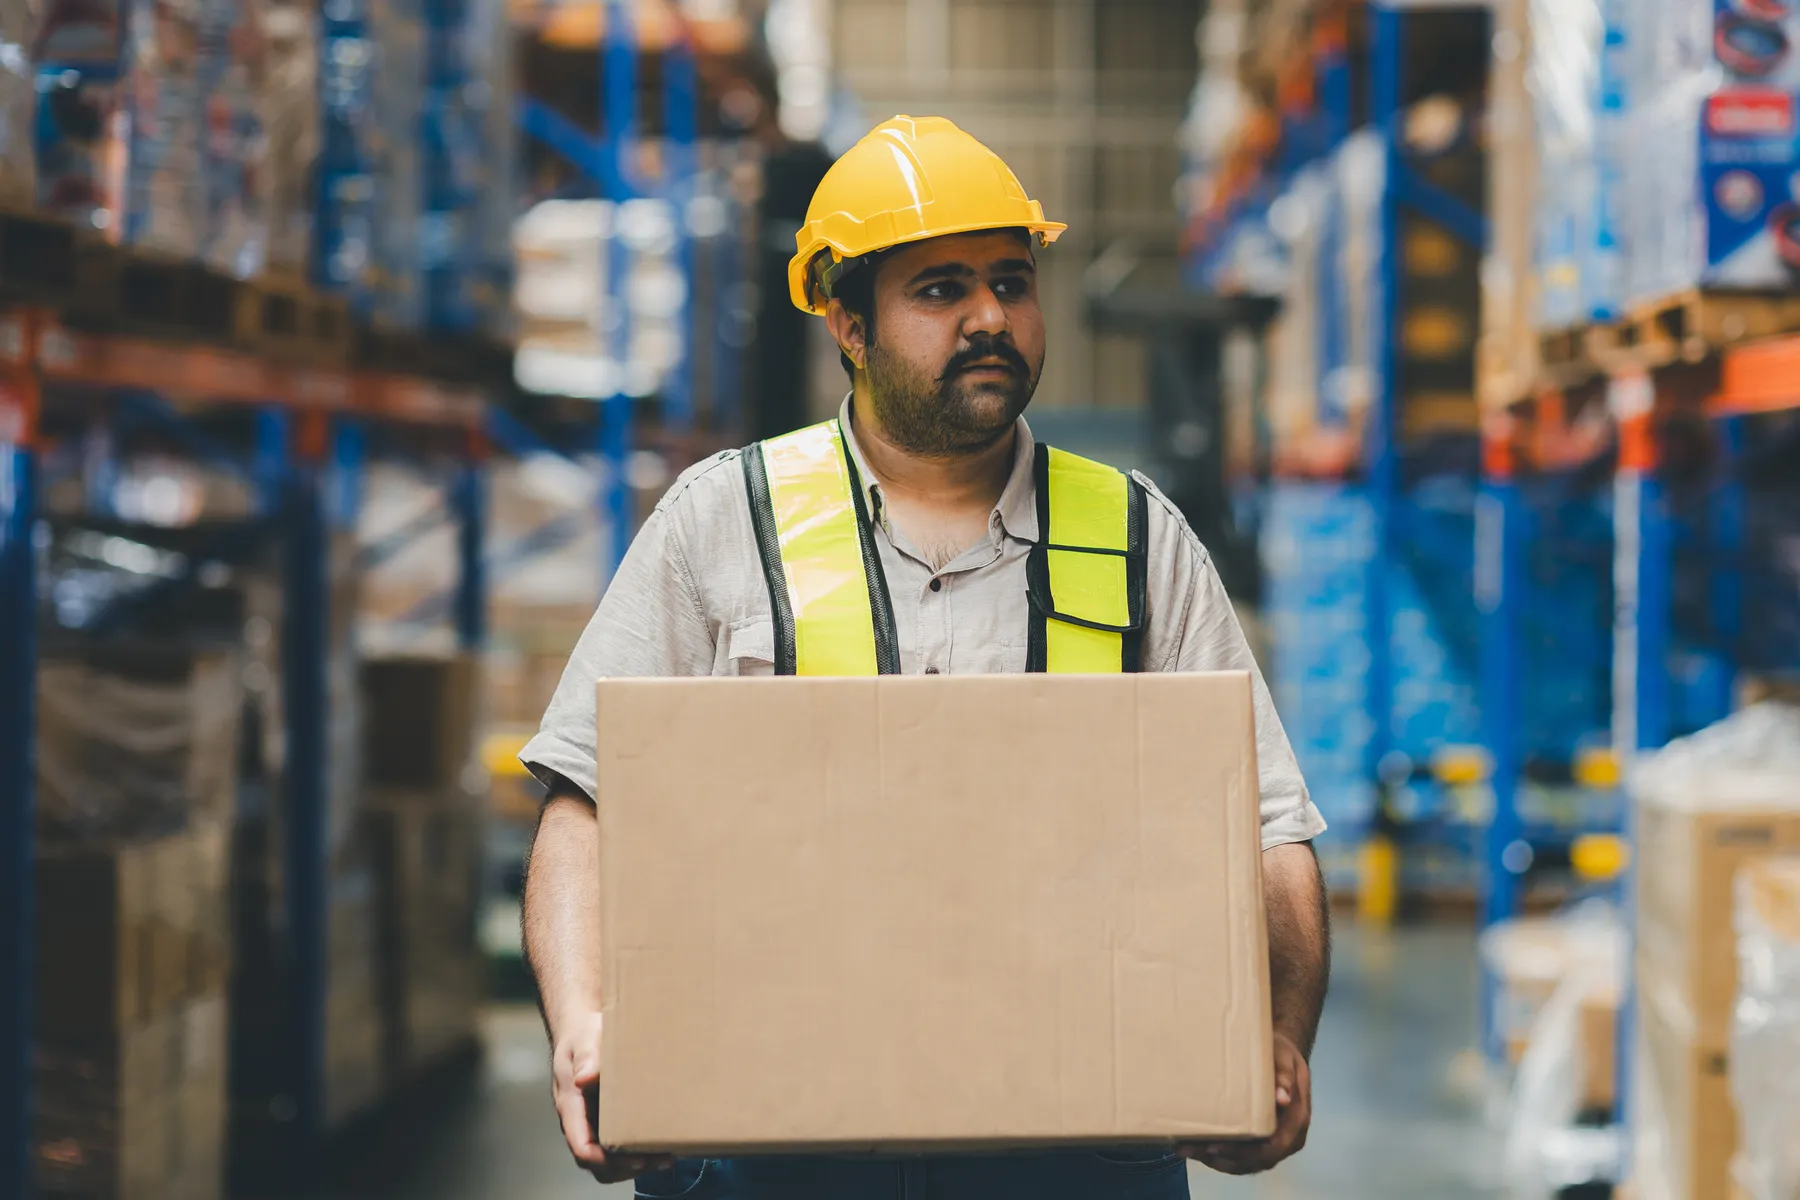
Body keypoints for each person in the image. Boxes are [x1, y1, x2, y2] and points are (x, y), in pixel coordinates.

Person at [520, 115, 1330, 1199]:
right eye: (942, 291)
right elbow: (585, 805)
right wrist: (585, 1026)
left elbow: (1270, 830)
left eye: (1011, 281)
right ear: (848, 326)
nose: (991, 316)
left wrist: (1275, 1036)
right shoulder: (724, 521)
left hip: (1083, 1142)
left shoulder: (1137, 535)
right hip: (768, 1138)